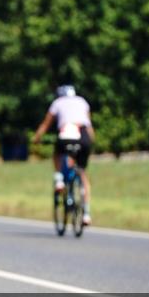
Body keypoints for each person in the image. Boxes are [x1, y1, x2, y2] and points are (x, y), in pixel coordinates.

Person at [32, 85, 95, 225]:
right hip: (83, 136)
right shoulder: (82, 101)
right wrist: (91, 143)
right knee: (83, 173)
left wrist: (36, 138)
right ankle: (86, 214)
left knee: (57, 154)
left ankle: (59, 179)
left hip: (66, 134)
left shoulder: (57, 103)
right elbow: (89, 125)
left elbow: (45, 124)